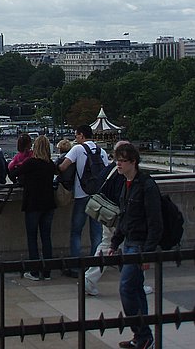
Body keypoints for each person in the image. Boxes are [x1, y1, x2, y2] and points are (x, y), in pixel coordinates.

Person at [109, 143, 163, 349]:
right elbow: (124, 217)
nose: (118, 164)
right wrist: (115, 242)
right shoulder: (127, 183)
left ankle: (143, 335)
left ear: (133, 162)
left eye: (122, 161)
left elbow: (155, 222)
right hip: (130, 242)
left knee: (127, 289)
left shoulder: (147, 185)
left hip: (139, 245)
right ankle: (143, 337)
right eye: (117, 160)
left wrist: (147, 253)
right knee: (136, 290)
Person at [84, 141, 146, 297]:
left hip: (107, 214)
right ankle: (137, 283)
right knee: (130, 248)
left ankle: (89, 279)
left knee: (106, 245)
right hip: (119, 217)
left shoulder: (108, 170)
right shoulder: (122, 173)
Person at [58, 124, 109, 271]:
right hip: (97, 196)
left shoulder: (77, 149)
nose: (76, 138)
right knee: (97, 233)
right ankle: (95, 265)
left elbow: (63, 167)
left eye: (76, 135)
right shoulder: (102, 152)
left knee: (76, 231)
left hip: (81, 195)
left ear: (81, 135)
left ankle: (75, 265)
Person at [15, 135, 57, 281]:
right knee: (46, 237)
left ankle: (34, 271)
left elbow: (13, 173)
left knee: (32, 238)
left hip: (33, 204)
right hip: (49, 204)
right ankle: (47, 272)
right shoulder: (50, 164)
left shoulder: (31, 163)